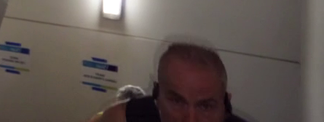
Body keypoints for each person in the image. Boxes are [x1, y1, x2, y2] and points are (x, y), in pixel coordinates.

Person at [91, 43, 248, 122]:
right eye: (177, 102)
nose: (190, 119)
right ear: (157, 96)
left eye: (205, 106)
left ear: (225, 104)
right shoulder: (124, 117)